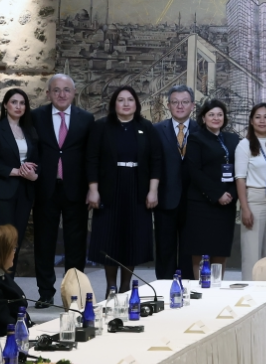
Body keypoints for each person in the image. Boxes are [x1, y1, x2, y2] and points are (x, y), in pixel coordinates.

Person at [86, 86, 162, 293]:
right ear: (114, 104)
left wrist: (153, 190)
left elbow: (156, 160)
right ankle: (111, 286)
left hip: (138, 189)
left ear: (136, 104)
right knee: (109, 237)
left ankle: (126, 286)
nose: (126, 103)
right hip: (109, 188)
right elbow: (92, 159)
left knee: (132, 238)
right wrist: (93, 189)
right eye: (121, 100)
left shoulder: (146, 127)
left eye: (130, 99)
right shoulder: (101, 126)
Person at [31, 73, 94, 307]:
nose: (61, 94)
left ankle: (74, 291)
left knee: (75, 243)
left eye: (66, 89)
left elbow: (90, 156)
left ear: (74, 93)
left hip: (75, 189)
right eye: (56, 90)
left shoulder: (86, 119)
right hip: (45, 188)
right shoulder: (36, 117)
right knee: (44, 242)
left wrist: (92, 187)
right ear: (48, 93)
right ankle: (45, 292)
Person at [0, 88, 39, 273]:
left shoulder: (30, 131)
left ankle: (8, 284)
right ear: (5, 105)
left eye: (22, 103)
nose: (18, 106)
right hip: (0, 192)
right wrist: (15, 171)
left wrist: (34, 175)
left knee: (16, 242)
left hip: (24, 192)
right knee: (3, 241)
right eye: (14, 102)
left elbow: (37, 160)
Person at [183, 99, 239, 275]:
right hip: (202, 204)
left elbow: (240, 170)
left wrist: (231, 193)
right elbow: (195, 171)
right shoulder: (196, 138)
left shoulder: (233, 139)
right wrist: (217, 194)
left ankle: (217, 286)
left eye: (220, 114)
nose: (216, 118)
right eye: (211, 114)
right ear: (203, 118)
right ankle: (200, 288)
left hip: (226, 205)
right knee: (200, 250)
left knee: (220, 250)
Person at [235, 103, 266, 275]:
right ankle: (251, 288)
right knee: (252, 251)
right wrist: (245, 208)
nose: (262, 121)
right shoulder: (244, 145)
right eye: (258, 117)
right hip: (254, 199)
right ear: (251, 121)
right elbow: (240, 178)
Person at [154, 85, 196, 282]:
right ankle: (164, 288)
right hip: (165, 198)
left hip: (194, 200)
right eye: (175, 102)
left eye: (185, 102)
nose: (180, 106)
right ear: (168, 105)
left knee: (190, 249)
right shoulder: (156, 130)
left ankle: (188, 288)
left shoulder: (201, 130)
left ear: (192, 105)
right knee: (165, 249)